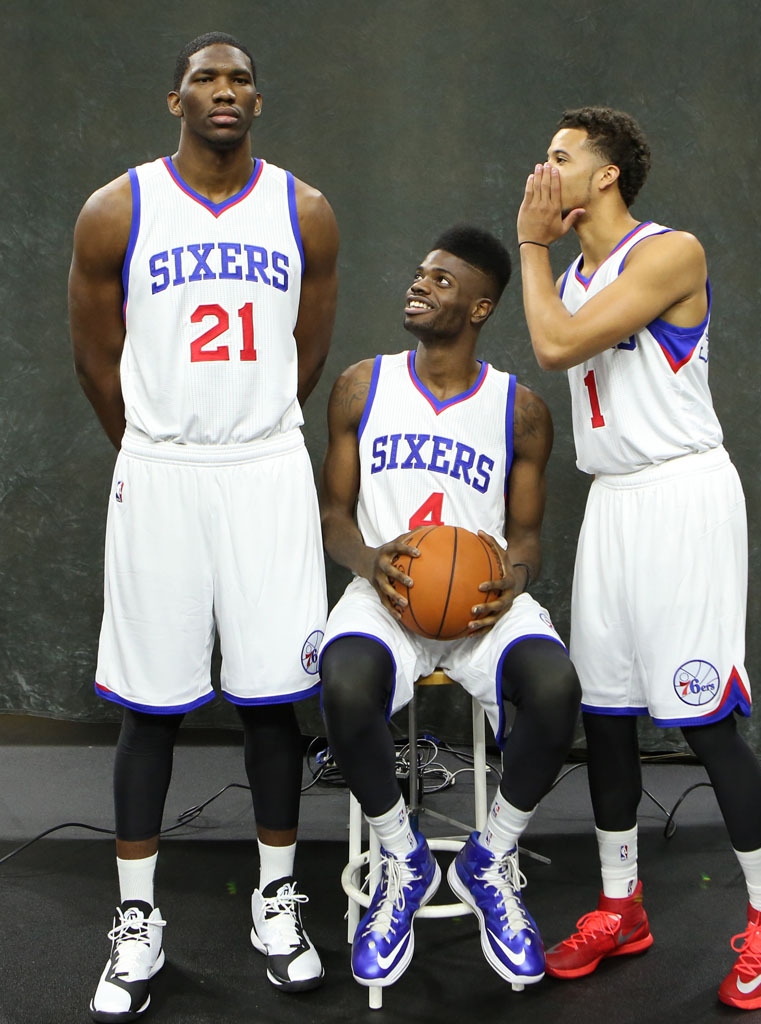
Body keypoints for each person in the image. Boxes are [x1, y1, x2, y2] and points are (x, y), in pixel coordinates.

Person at [68, 32, 338, 1021]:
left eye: (241, 79)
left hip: (264, 466)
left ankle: (277, 900)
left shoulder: (303, 208)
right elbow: (97, 360)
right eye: (205, 79)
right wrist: (155, 446)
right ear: (174, 98)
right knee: (151, 707)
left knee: (273, 702)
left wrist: (248, 432)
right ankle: (136, 922)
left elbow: (306, 347)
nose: (225, 91)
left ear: (258, 102)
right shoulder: (117, 208)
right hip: (165, 468)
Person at [516, 105, 761, 1010]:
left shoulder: (670, 251)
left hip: (681, 495)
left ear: (604, 176)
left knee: (701, 716)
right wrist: (541, 258)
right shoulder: (573, 271)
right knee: (603, 716)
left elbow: (556, 343)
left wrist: (525, 249)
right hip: (614, 504)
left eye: (560, 157)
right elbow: (555, 337)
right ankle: (619, 904)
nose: (544, 168)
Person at [318, 224, 581, 990]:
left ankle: (490, 851)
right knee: (340, 684)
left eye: (440, 281)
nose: (419, 284)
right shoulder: (362, 386)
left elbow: (526, 534)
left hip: (478, 610)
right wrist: (373, 563)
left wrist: (516, 579)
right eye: (419, 272)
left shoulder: (520, 409)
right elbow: (334, 514)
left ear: (478, 308)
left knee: (557, 688)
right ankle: (399, 854)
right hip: (384, 594)